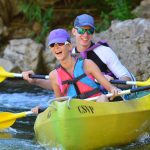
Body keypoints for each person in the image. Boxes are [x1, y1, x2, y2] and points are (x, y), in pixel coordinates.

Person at [30, 28, 120, 114]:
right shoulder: (53, 75)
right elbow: (59, 104)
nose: (56, 47)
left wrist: (113, 89)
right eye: (52, 45)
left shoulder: (88, 64)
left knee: (103, 98)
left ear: (69, 46)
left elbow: (110, 88)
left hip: (96, 105)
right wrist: (43, 110)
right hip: (75, 111)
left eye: (60, 44)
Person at [71, 14, 134, 86]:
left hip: (109, 93)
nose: (85, 35)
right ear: (74, 31)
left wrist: (113, 82)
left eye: (90, 31)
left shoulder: (104, 51)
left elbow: (127, 79)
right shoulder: (69, 56)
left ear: (93, 32)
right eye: (81, 30)